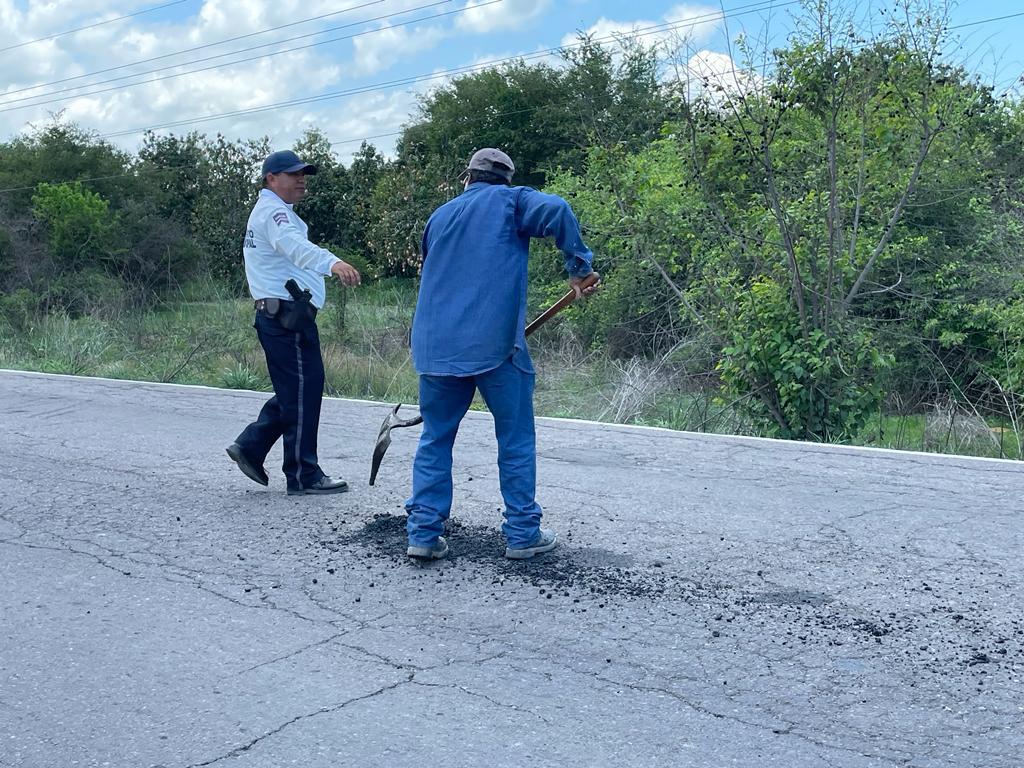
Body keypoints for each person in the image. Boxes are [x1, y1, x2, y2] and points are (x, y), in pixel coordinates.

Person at [405, 147, 599, 561]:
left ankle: (423, 533)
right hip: (495, 347)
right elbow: (558, 209)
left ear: (467, 177)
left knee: (435, 437)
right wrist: (580, 268)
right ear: (507, 179)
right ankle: (523, 534)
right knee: (514, 438)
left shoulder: (439, 217)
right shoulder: (513, 202)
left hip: (436, 346)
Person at [226, 149, 361, 495]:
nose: (301, 180)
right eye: (293, 174)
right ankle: (303, 474)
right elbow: (294, 246)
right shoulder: (274, 214)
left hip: (282, 316)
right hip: (285, 318)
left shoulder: (274, 211)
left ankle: (251, 445)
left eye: (303, 174)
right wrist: (333, 263)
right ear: (271, 178)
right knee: (303, 389)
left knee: (298, 389)